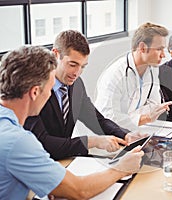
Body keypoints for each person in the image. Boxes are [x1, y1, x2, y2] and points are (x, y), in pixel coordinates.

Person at [0, 46, 144, 199]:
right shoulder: (18, 141)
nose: (51, 93)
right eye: (49, 89)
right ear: (35, 92)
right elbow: (80, 190)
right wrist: (121, 169)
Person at [24, 30, 141, 160]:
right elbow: (42, 142)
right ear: (55, 54)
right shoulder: (35, 89)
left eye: (82, 67)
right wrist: (92, 141)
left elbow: (96, 119)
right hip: (39, 161)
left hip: (65, 159)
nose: (77, 73)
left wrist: (124, 135)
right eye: (73, 65)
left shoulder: (76, 84)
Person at [95, 22, 172, 131]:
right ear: (143, 48)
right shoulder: (115, 75)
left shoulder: (152, 69)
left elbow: (155, 105)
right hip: (110, 137)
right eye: (159, 49)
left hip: (136, 131)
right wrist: (144, 118)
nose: (163, 55)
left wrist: (131, 116)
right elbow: (109, 119)